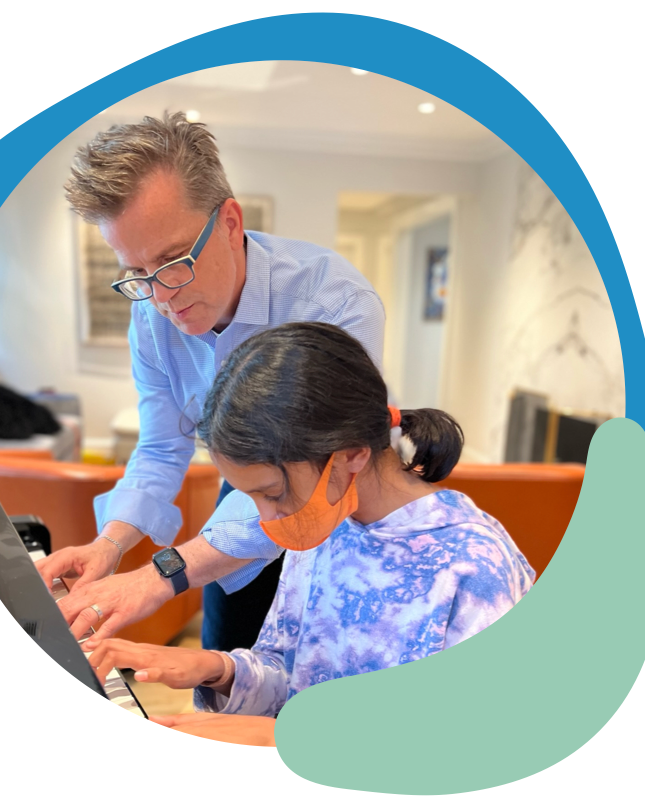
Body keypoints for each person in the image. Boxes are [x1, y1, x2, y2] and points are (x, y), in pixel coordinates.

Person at [35, 112, 385, 651]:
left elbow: (309, 481)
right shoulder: (152, 314)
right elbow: (161, 444)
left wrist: (160, 575)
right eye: (137, 273)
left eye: (174, 260)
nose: (162, 296)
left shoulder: (331, 301)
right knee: (228, 672)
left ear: (229, 223)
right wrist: (111, 544)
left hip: (346, 512)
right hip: (244, 501)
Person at [84, 322, 536, 725]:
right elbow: (289, 675)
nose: (266, 519)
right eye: (250, 496)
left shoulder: (475, 569)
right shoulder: (327, 524)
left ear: (352, 454)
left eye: (273, 494)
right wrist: (219, 671)